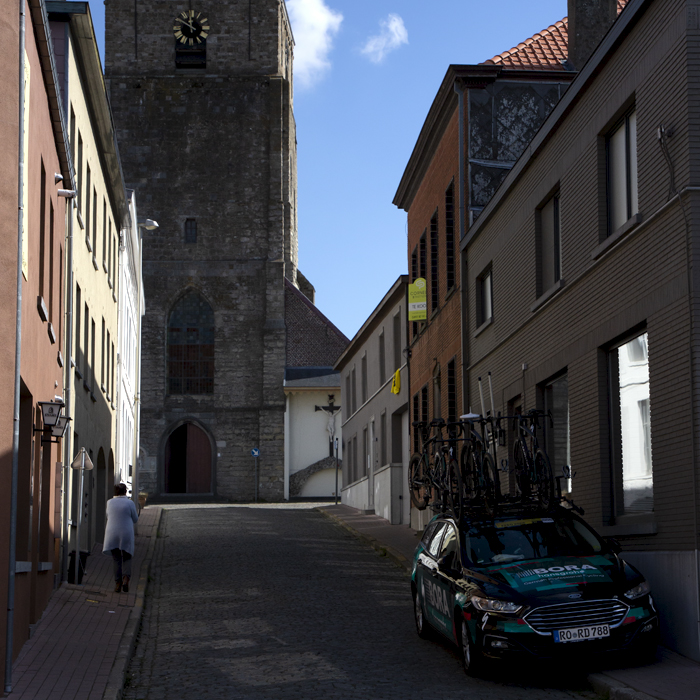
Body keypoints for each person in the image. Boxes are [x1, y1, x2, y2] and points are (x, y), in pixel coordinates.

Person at [103, 483, 139, 592]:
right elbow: (135, 519)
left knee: (116, 559)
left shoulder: (109, 502)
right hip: (126, 532)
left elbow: (108, 515)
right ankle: (126, 579)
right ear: (125, 491)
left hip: (112, 532)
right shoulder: (130, 503)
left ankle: (117, 583)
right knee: (127, 556)